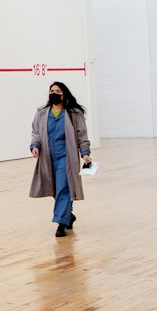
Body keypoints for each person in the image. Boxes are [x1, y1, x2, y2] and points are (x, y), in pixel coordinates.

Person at [30, 80, 91, 237]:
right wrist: (35, 146)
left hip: (67, 157)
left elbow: (81, 135)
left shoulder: (74, 113)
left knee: (64, 186)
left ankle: (61, 223)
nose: (54, 93)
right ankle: (68, 215)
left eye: (57, 91)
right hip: (48, 157)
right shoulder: (42, 112)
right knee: (55, 189)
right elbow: (36, 132)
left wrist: (85, 153)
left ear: (64, 95)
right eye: (52, 91)